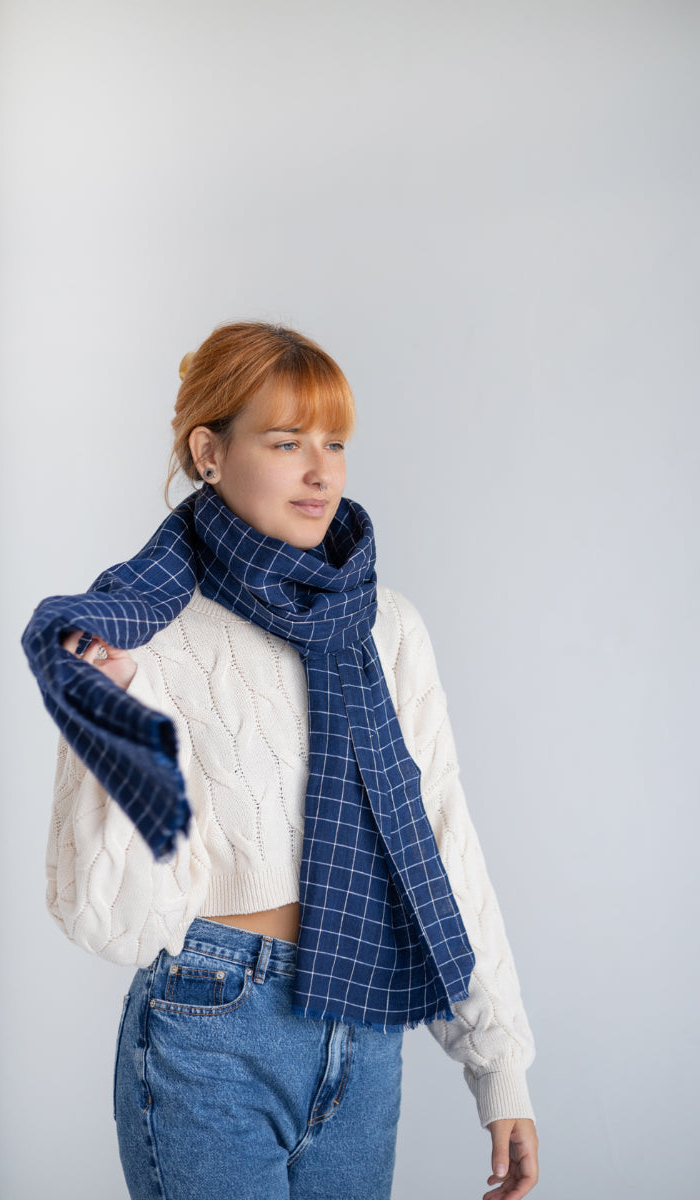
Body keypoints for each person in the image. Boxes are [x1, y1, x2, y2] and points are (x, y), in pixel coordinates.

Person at [26, 322, 538, 1200]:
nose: (322, 471)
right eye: (287, 441)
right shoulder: (137, 631)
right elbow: (113, 922)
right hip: (212, 1022)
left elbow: (442, 839)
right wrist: (120, 726)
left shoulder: (386, 625)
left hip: (367, 1016)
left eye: (335, 443)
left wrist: (500, 1069)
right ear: (209, 452)